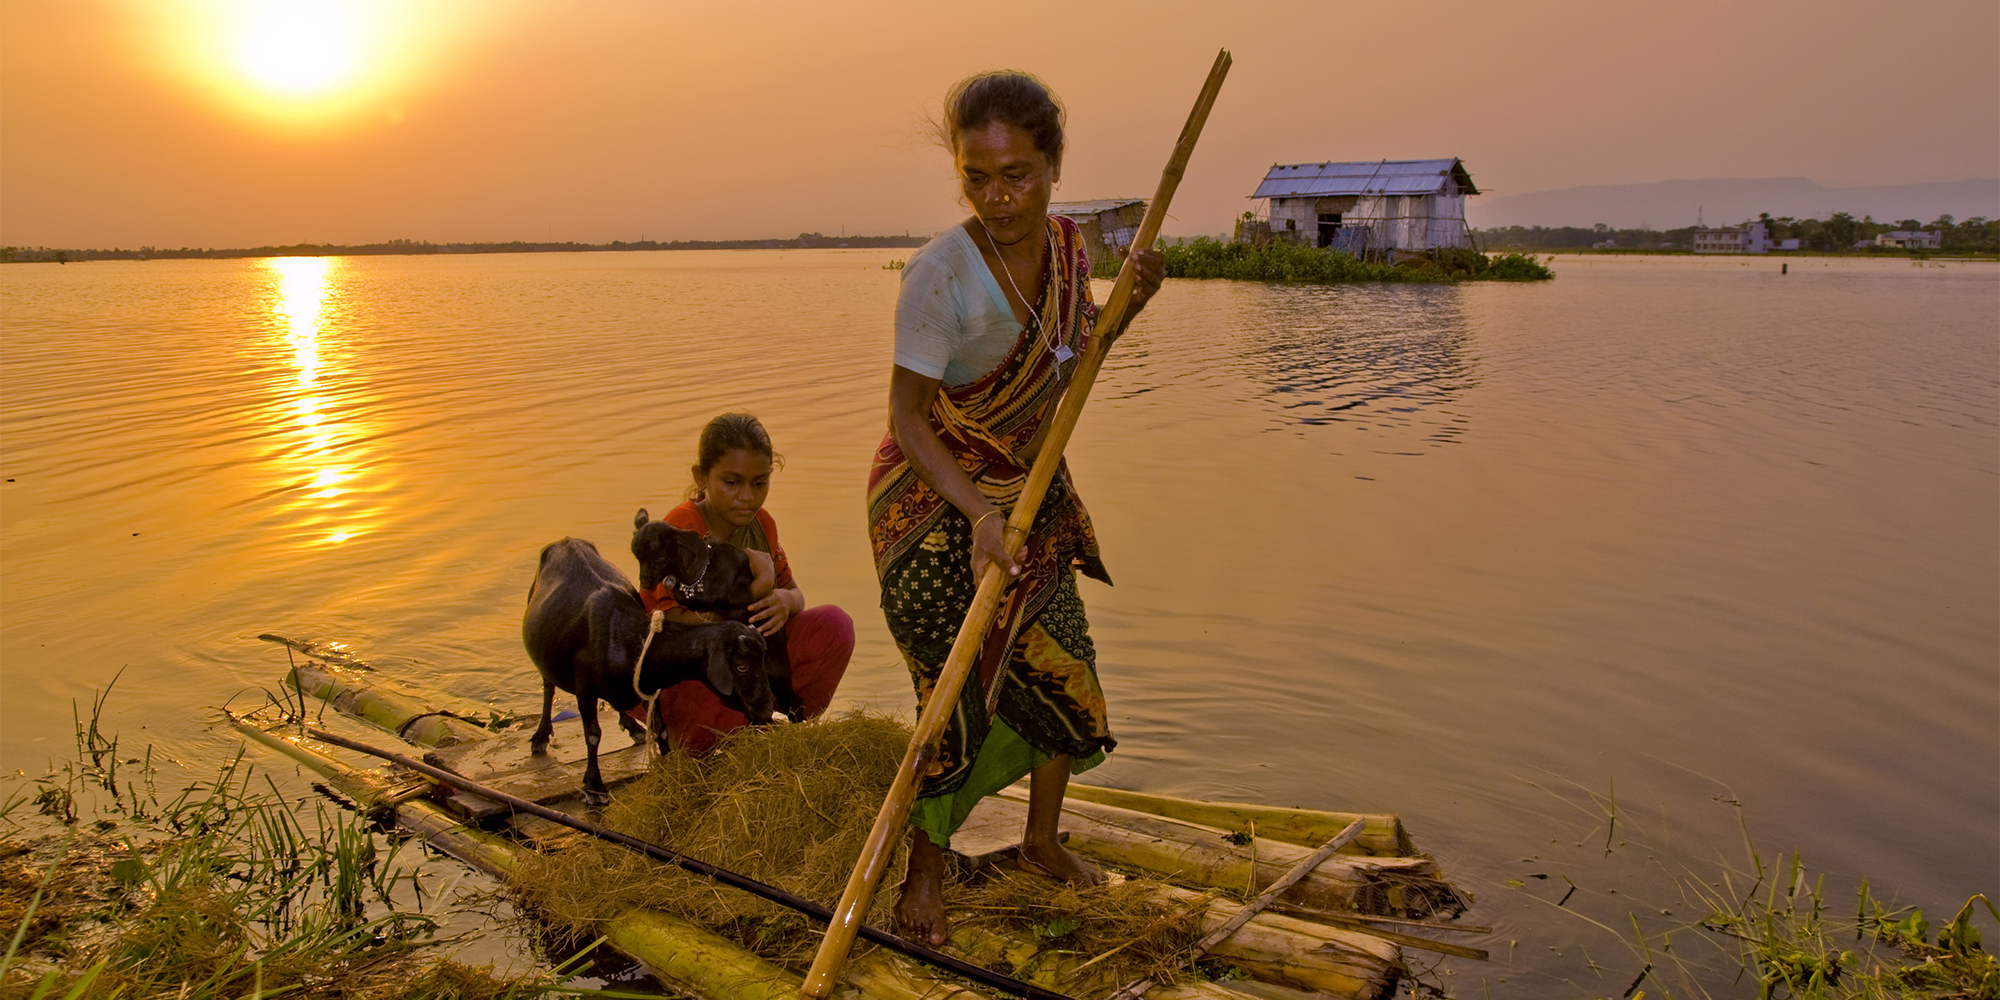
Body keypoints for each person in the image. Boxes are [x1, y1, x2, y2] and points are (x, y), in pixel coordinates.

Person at [865, 70, 1164, 944]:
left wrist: (1132, 304)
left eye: (1019, 174)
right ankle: (924, 877)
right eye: (979, 178)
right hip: (928, 507)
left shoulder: (1073, 252)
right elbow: (907, 421)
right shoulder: (939, 278)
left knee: (1066, 668)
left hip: (1027, 495)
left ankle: (1039, 841)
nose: (1000, 197)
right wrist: (977, 518)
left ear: (1055, 165)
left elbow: (1069, 366)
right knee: (955, 690)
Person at [634, 413, 854, 757]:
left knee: (835, 626)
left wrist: (782, 599)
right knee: (715, 709)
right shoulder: (682, 528)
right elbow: (674, 625)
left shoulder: (762, 524)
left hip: (742, 658)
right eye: (732, 482)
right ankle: (704, 731)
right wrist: (756, 590)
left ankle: (773, 715)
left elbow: (797, 595)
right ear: (701, 477)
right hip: (681, 672)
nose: (747, 497)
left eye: (759, 483)